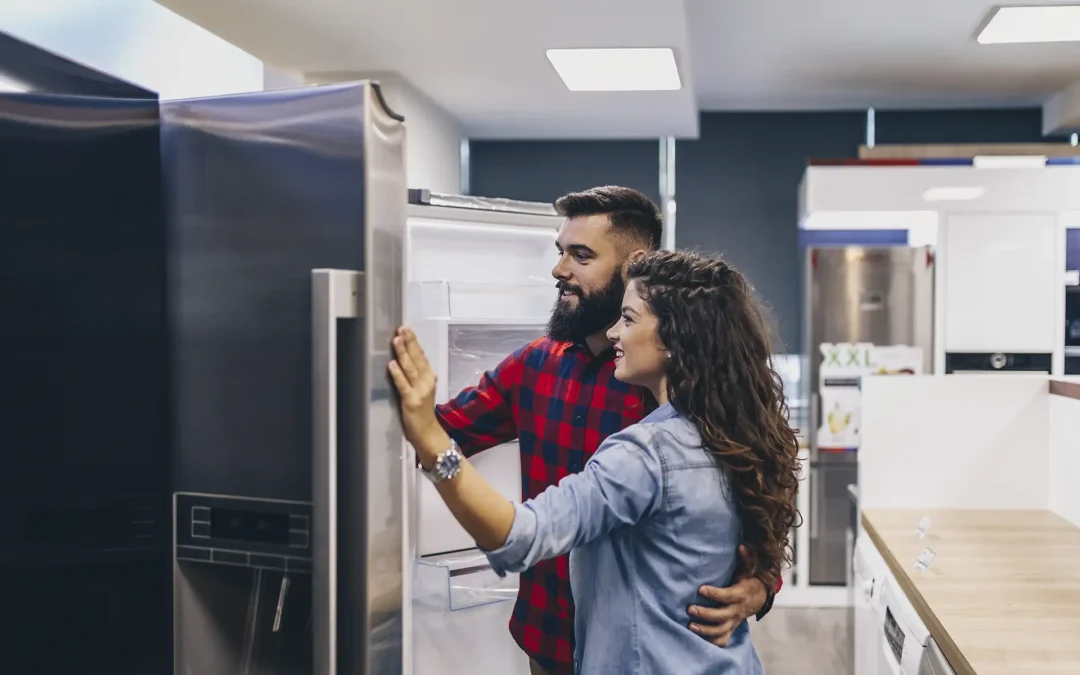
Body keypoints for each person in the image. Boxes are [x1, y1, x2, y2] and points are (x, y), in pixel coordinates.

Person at [389, 249, 801, 674]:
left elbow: (519, 536)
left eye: (628, 318)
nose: (614, 332)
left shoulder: (645, 452)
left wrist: (429, 438)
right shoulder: (731, 430)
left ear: (674, 340)